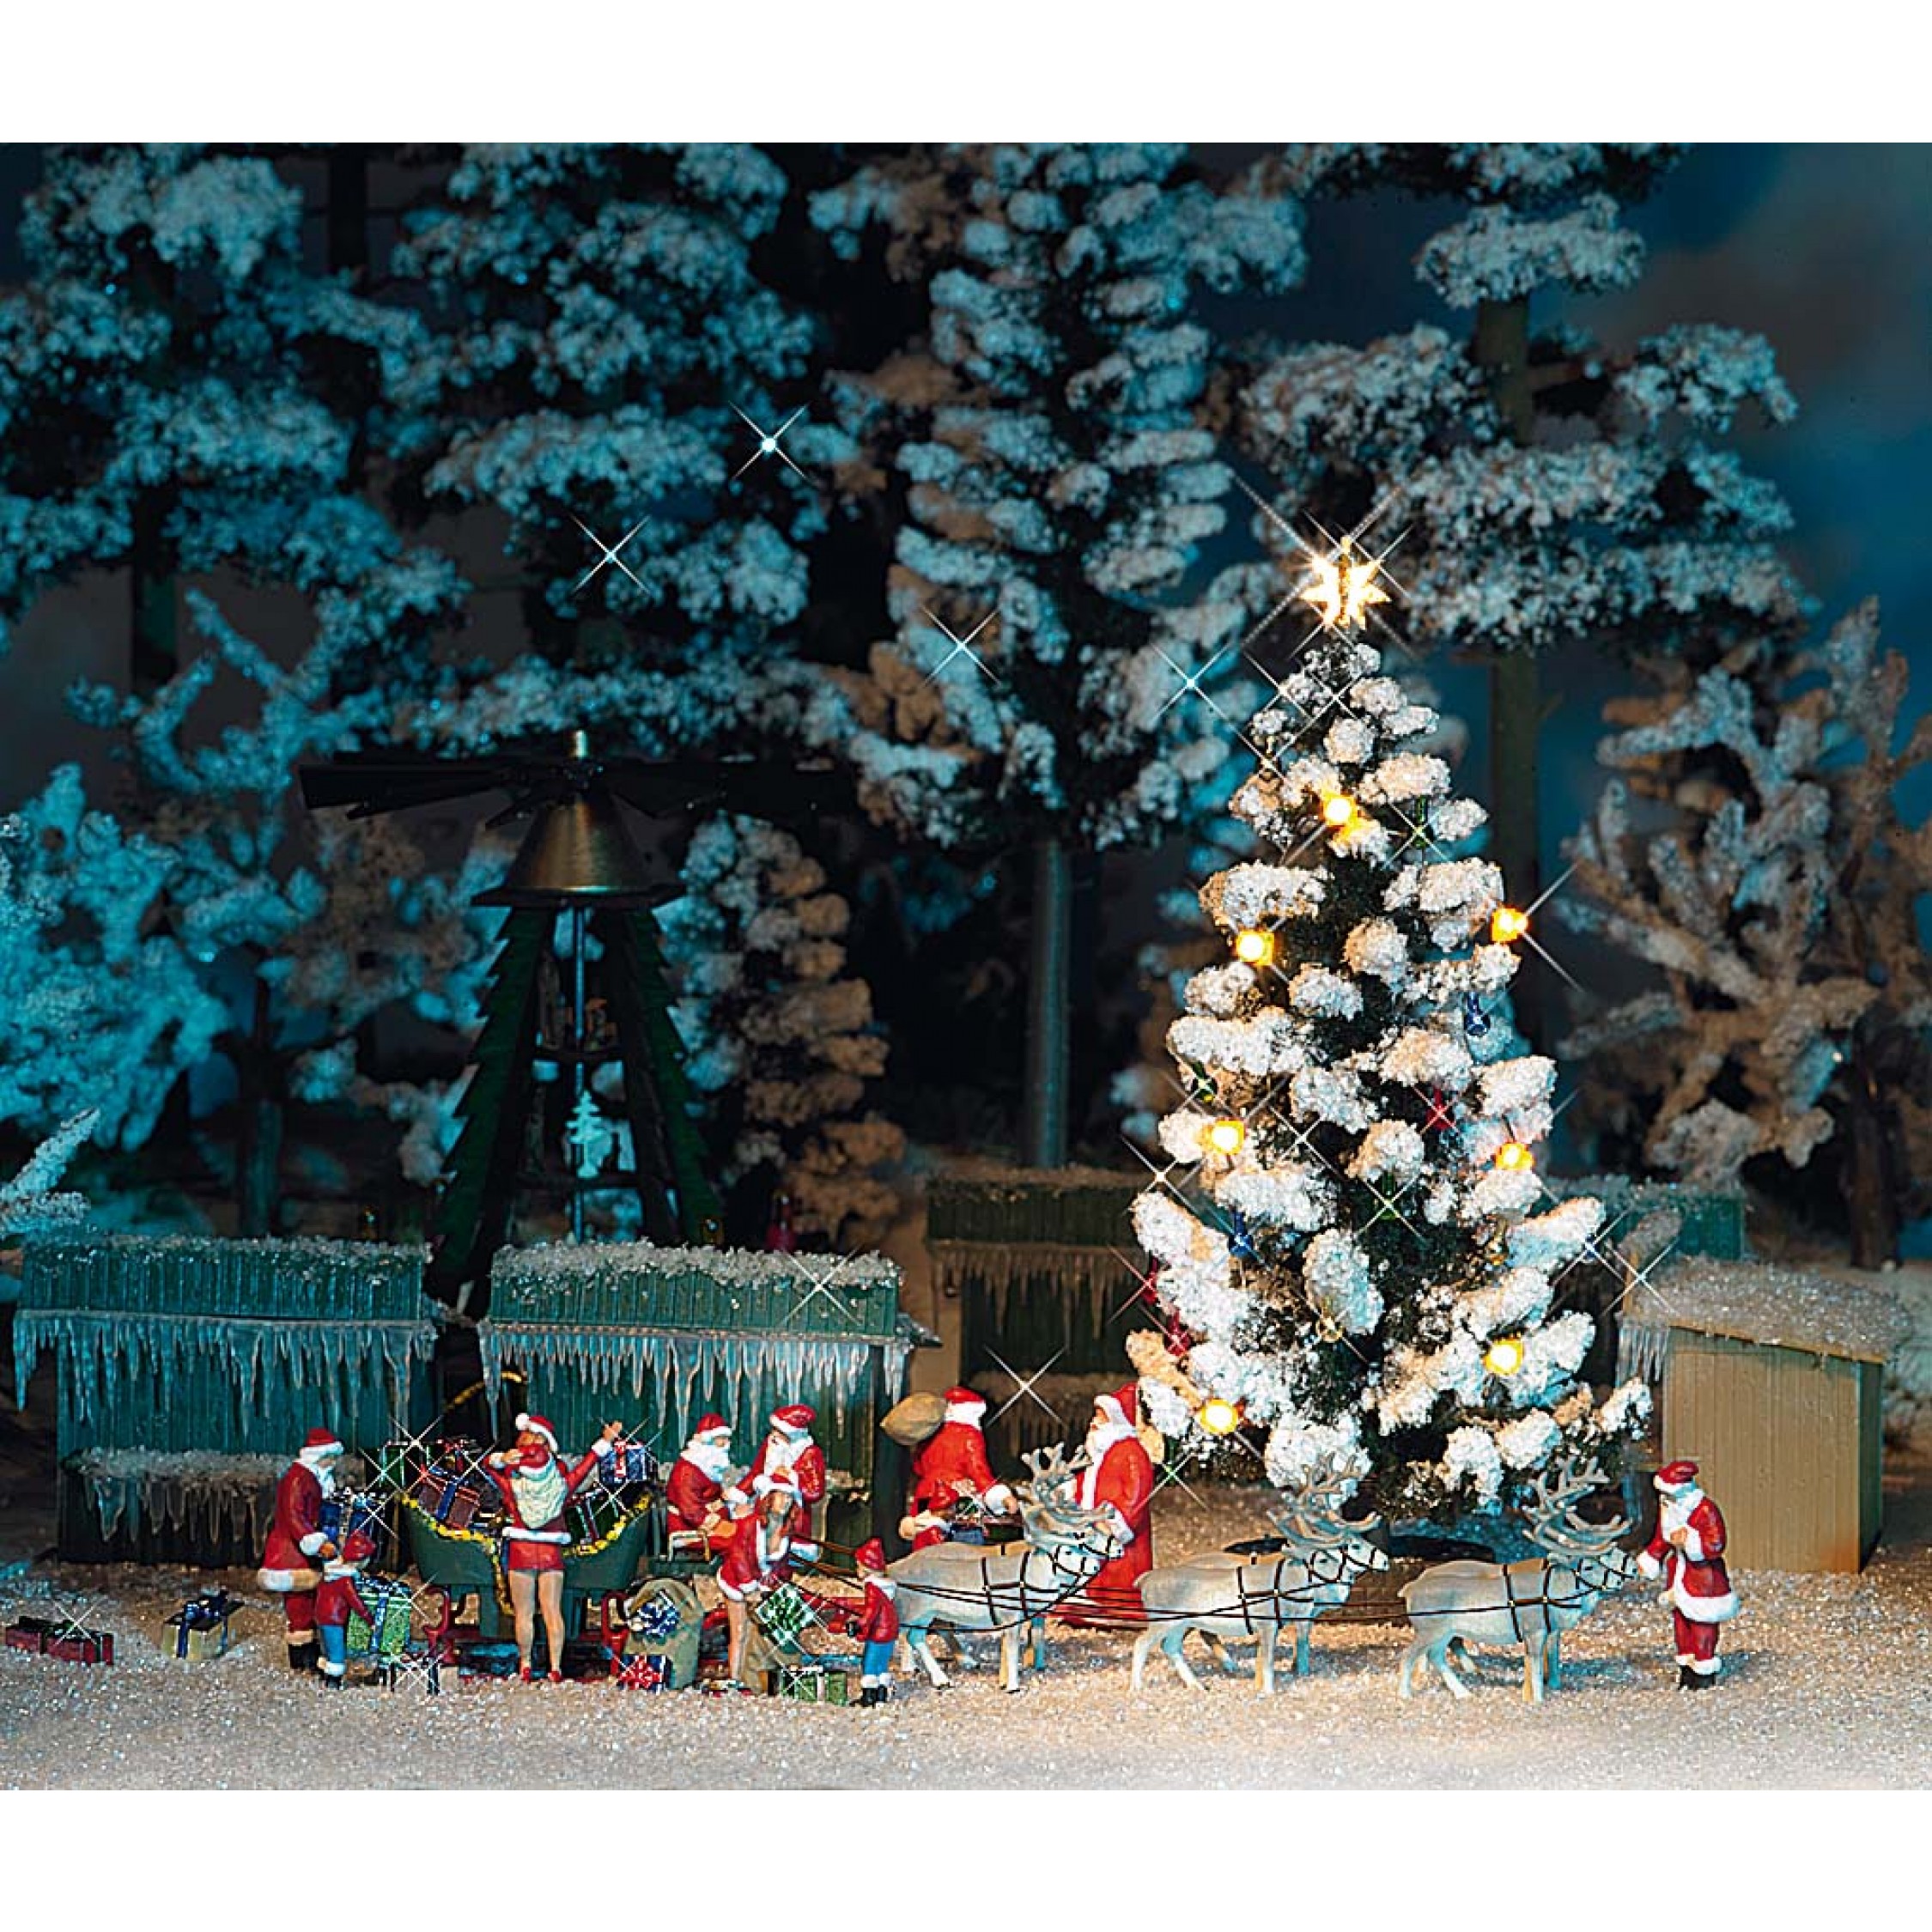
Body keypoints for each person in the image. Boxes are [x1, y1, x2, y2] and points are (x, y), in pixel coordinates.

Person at [485, 1411, 622, 1683]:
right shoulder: (561, 1484)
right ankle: (555, 1667)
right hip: (550, 1552)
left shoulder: (513, 1485)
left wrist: (498, 1460)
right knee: (552, 1610)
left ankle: (525, 1664)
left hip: (521, 1550)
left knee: (524, 1612)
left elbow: (486, 1469)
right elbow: (586, 1465)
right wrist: (605, 1441)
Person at [1637, 1459, 1741, 1690]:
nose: (1665, 1499)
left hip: (1703, 1580)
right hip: (1678, 1576)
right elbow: (1662, 1539)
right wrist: (1651, 1558)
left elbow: (1716, 1545)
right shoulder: (1670, 1509)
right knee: (1681, 1626)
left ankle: (1703, 1672)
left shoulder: (1705, 1510)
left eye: (1669, 1495)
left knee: (1702, 1626)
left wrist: (1690, 1540)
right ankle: (1686, 1669)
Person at [1060, 1383, 1155, 1626]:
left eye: (1101, 1416)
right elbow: (1089, 1482)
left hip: (1115, 1529)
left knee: (1119, 1571)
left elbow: (1137, 1494)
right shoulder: (1102, 1452)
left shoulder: (1132, 1453)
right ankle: (1089, 1603)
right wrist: (1068, 1491)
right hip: (1093, 1524)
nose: (1094, 1422)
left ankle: (1119, 1609)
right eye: (1096, 1415)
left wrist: (1117, 1524)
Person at [258, 1426, 344, 1673]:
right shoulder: (298, 1479)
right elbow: (294, 1516)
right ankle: (301, 1656)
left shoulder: (314, 1478)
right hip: (292, 1553)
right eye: (330, 1458)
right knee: (299, 1605)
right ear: (318, 1456)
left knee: (309, 1601)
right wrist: (315, 1541)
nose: (333, 1463)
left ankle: (310, 1652)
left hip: (306, 1552)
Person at [717, 1467, 803, 1686]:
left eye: (789, 1497)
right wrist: (749, 1587)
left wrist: (779, 1585)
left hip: (761, 1586)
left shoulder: (785, 1531)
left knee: (758, 1632)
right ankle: (734, 1680)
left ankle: (751, 1676)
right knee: (740, 1632)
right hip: (737, 1583)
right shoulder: (749, 1525)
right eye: (780, 1496)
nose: (785, 1502)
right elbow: (738, 1556)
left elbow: (781, 1565)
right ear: (768, 1499)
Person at [905, 1386, 1017, 1550]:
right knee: (966, 1546)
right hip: (954, 1496)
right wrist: (1002, 1497)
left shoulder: (932, 1434)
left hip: (925, 1494)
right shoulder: (970, 1436)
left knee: (924, 1537)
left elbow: (919, 1467)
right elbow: (978, 1471)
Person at [744, 1403, 825, 1561]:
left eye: (779, 1432)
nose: (774, 1435)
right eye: (773, 1430)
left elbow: (815, 1491)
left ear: (792, 1435)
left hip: (793, 1514)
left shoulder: (810, 1454)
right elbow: (756, 1473)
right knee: (760, 1546)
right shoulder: (771, 1445)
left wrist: (791, 1477)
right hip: (765, 1509)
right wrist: (740, 1492)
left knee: (787, 1551)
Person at [665, 1413, 743, 1554]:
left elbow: (712, 1498)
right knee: (740, 1543)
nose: (726, 1444)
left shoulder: (707, 1467)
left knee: (748, 1534)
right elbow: (691, 1511)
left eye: (727, 1439)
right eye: (721, 1439)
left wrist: (729, 1503)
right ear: (708, 1441)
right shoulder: (687, 1471)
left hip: (710, 1525)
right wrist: (720, 1526)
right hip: (691, 1531)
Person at [313, 1530, 376, 1688]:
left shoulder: (330, 1572)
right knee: (336, 1651)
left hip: (321, 1615)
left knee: (326, 1647)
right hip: (334, 1619)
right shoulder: (345, 1579)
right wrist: (370, 1619)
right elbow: (355, 1601)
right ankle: (333, 1681)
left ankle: (324, 1673)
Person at [852, 1537, 899, 1708]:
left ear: (866, 1568)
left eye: (858, 1566)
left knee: (870, 1663)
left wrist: (859, 1624)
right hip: (890, 1630)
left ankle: (869, 1696)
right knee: (882, 1662)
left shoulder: (872, 1587)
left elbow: (871, 1611)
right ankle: (881, 1695)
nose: (856, 1569)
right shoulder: (888, 1587)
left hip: (879, 1630)